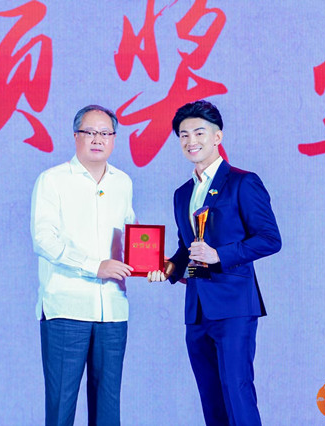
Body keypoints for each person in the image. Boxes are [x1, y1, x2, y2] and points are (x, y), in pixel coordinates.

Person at [148, 100, 281, 425]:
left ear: (217, 136)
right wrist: (170, 267)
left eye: (199, 132)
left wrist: (220, 255)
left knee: (237, 391)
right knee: (210, 396)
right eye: (183, 135)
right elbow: (187, 247)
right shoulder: (182, 193)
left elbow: (269, 238)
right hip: (196, 310)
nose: (191, 141)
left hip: (233, 306)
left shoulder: (242, 182)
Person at [31, 105, 136, 426]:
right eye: (89, 132)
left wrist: (152, 263)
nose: (97, 139)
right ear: (75, 136)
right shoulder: (53, 180)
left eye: (105, 133)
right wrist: (94, 266)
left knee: (108, 408)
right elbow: (44, 240)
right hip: (67, 307)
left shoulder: (122, 182)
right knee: (61, 406)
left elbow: (131, 235)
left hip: (113, 309)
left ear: (114, 139)